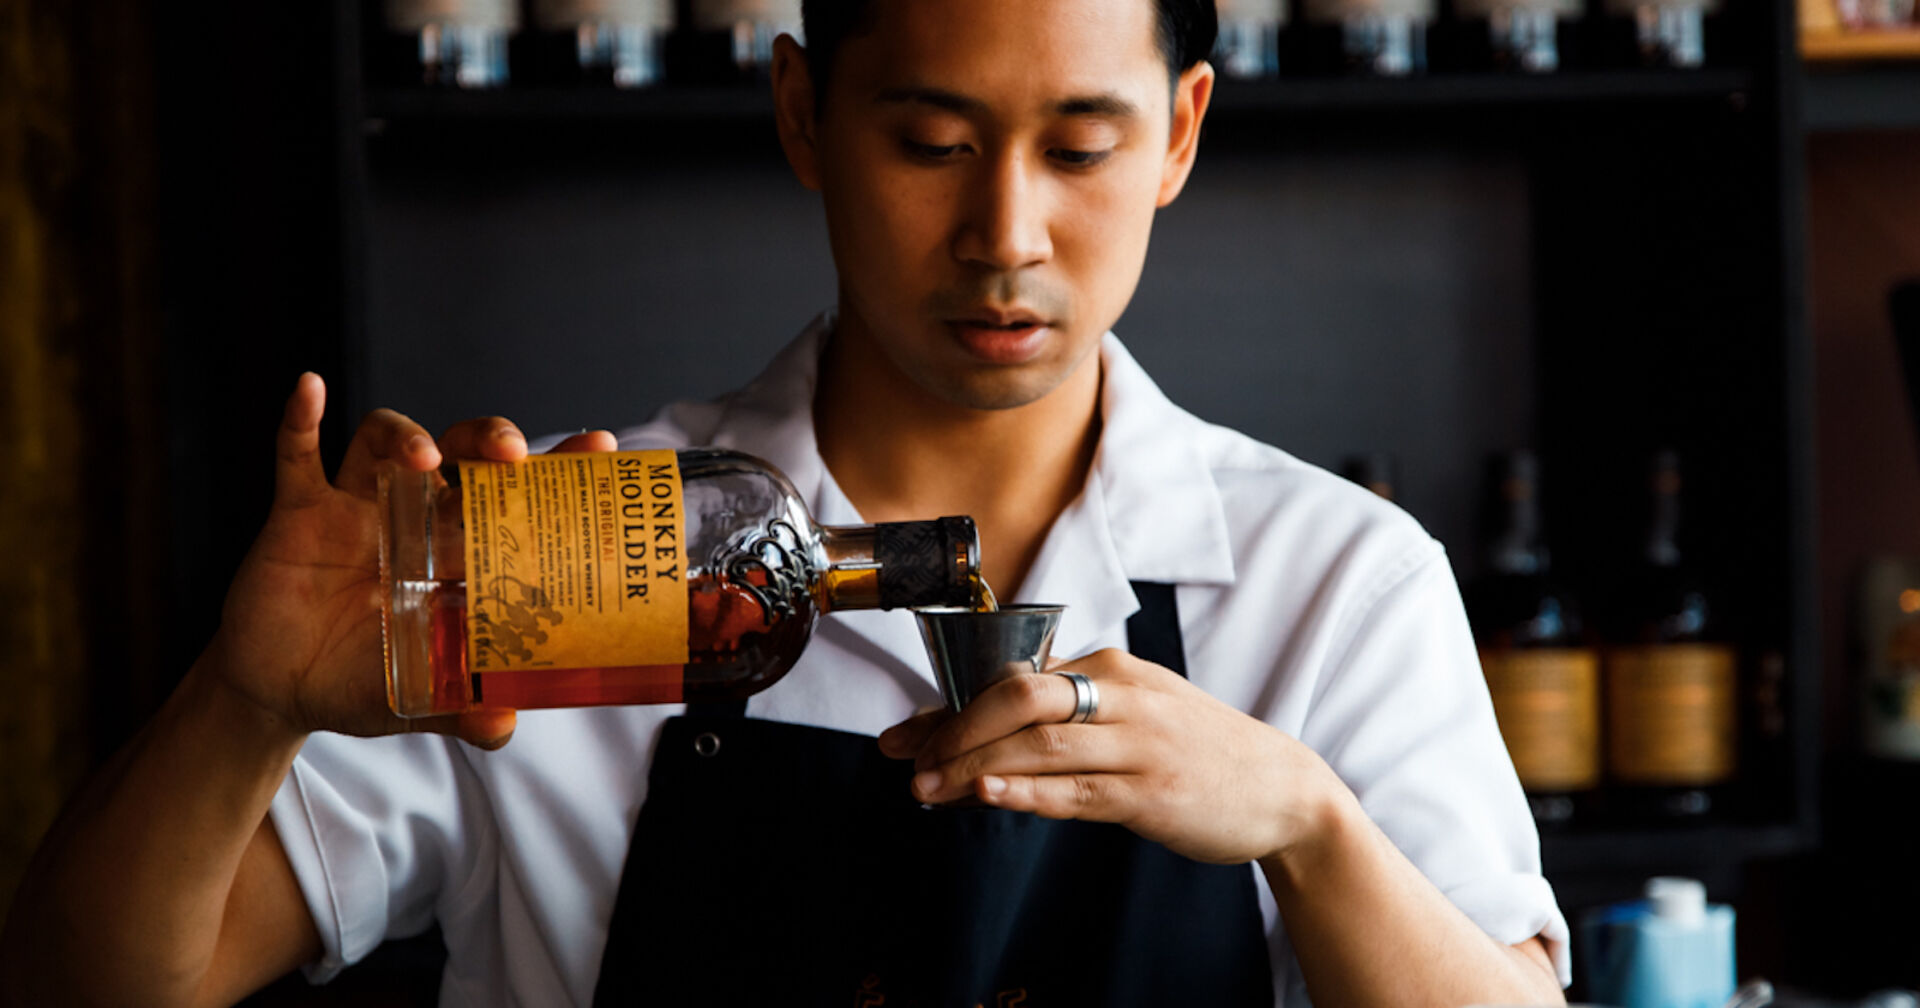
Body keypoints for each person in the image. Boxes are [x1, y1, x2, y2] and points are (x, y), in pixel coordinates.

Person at [0, 0, 1571, 1004]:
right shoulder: (557, 564)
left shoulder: (1334, 582)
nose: (1006, 231)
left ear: (1180, 134)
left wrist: (1307, 825)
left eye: (1082, 148)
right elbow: (90, 984)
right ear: (805, 114)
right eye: (932, 142)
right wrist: (245, 703)